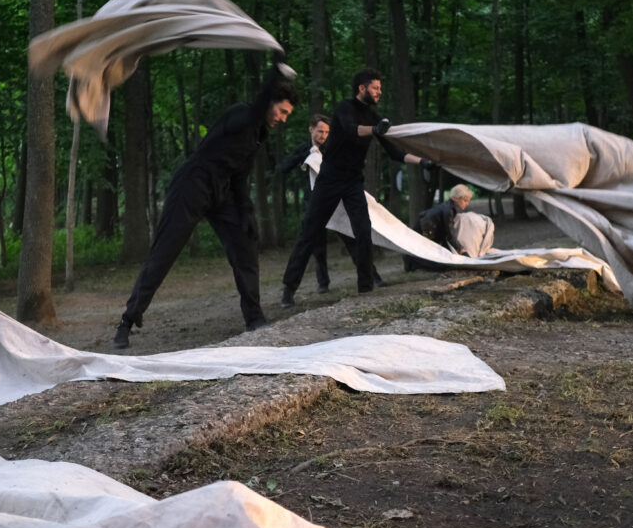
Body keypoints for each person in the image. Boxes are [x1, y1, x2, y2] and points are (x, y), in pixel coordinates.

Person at [113, 58, 298, 349]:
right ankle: (127, 320)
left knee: (245, 246)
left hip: (222, 192)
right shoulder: (242, 114)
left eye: (288, 115)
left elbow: (239, 176)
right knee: (165, 251)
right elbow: (253, 113)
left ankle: (254, 318)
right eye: (282, 111)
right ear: (270, 101)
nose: (283, 118)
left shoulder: (259, 134)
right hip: (193, 183)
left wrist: (246, 213)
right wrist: (273, 75)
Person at [280, 68, 433, 307]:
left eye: (380, 89)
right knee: (310, 232)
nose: (379, 92)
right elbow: (351, 129)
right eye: (375, 88)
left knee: (363, 231)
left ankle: (365, 287)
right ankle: (289, 289)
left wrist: (422, 161)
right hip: (329, 180)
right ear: (362, 88)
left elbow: (394, 152)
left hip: (352, 182)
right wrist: (375, 129)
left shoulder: (373, 117)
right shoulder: (344, 108)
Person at [276, 114, 383, 295]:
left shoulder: (333, 148)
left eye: (326, 132)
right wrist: (305, 158)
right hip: (315, 203)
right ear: (311, 129)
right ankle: (320, 284)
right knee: (315, 244)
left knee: (352, 239)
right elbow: (283, 168)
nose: (323, 136)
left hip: (338, 204)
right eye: (320, 131)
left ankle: (373, 276)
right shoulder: (305, 150)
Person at [403, 184, 474, 272]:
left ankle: (411, 261)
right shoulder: (449, 210)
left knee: (444, 262)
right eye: (465, 200)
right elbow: (449, 234)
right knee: (442, 266)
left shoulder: (448, 207)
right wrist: (461, 250)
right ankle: (412, 260)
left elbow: (445, 233)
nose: (467, 203)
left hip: (427, 231)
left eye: (468, 201)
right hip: (425, 232)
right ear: (456, 198)